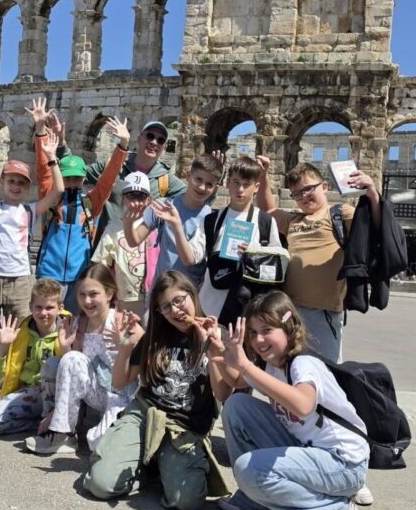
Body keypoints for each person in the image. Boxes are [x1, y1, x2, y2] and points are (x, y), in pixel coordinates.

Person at [215, 291, 368, 510]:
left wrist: (245, 365)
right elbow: (236, 384)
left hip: (343, 464)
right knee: (237, 406)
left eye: (267, 330)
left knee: (250, 469)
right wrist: (218, 351)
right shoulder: (272, 364)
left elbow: (303, 405)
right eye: (253, 332)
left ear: (288, 327)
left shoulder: (303, 363)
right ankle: (258, 500)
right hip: (309, 450)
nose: (258, 340)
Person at [83, 270, 233, 510]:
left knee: (187, 501)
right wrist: (126, 344)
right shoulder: (156, 335)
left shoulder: (217, 334)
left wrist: (213, 350)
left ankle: (158, 462)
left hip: (184, 427)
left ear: (193, 295)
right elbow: (120, 382)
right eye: (166, 307)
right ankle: (145, 466)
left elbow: (223, 394)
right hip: (145, 414)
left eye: (179, 300)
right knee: (100, 484)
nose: (175, 310)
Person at [0, 119, 63, 419]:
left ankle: (8, 389)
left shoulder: (30, 210)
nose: (16, 186)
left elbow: (57, 190)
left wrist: (51, 156)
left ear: (27, 187)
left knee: (20, 338)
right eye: (11, 181)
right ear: (2, 181)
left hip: (19, 279)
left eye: (21, 183)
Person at [256, 156, 380, 362]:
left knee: (325, 370)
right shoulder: (293, 220)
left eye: (308, 189)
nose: (303, 196)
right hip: (289, 312)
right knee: (288, 366)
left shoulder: (339, 213)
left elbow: (374, 227)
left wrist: (372, 194)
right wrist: (263, 175)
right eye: (297, 193)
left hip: (324, 313)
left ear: (324, 186)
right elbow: (268, 211)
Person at [27, 263, 136, 455]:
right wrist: (65, 347)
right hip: (97, 393)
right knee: (70, 358)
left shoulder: (121, 321)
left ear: (109, 294)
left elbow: (139, 369)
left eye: (93, 294)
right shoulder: (79, 324)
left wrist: (125, 345)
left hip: (122, 396)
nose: (87, 301)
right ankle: (64, 434)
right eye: (82, 294)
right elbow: (74, 373)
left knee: (98, 445)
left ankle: (118, 429)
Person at [32, 106, 130, 311]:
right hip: (49, 273)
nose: (71, 182)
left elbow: (108, 179)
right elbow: (43, 171)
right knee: (46, 320)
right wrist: (40, 131)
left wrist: (122, 145)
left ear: (84, 179)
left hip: (79, 276)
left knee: (73, 323)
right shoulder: (51, 197)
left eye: (76, 178)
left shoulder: (90, 203)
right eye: (67, 178)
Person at [180, 156, 283, 324]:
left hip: (249, 309)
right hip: (210, 307)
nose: (240, 189)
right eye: (236, 182)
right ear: (227, 183)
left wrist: (254, 254)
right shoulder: (211, 220)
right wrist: (176, 226)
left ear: (256, 187)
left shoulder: (266, 222)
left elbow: (276, 266)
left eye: (246, 184)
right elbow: (192, 257)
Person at [57, 115, 188, 240]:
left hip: (139, 248)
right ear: (139, 139)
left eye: (160, 140)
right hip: (106, 244)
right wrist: (62, 145)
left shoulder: (166, 179)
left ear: (164, 148)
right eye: (150, 136)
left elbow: (193, 197)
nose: (154, 142)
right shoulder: (113, 163)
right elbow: (74, 172)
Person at [0, 279, 67, 437]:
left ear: (60, 308)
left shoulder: (68, 331)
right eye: (38, 307)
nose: (43, 313)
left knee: (52, 364)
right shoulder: (22, 333)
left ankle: (53, 422)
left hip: (57, 396)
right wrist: (3, 346)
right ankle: (37, 425)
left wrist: (66, 347)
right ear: (30, 307)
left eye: (49, 308)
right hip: (30, 393)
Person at [123, 153, 222, 290]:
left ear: (215, 189)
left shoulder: (212, 219)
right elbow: (134, 240)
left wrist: (176, 225)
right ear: (188, 176)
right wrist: (128, 222)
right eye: (198, 179)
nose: (202, 187)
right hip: (161, 289)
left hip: (189, 292)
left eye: (209, 184)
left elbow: (189, 260)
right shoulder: (163, 206)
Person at [93, 172, 157, 313]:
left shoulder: (155, 226)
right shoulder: (113, 228)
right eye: (131, 195)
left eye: (141, 196)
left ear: (149, 200)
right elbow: (101, 264)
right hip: (123, 299)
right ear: (123, 198)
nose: (136, 202)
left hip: (152, 297)